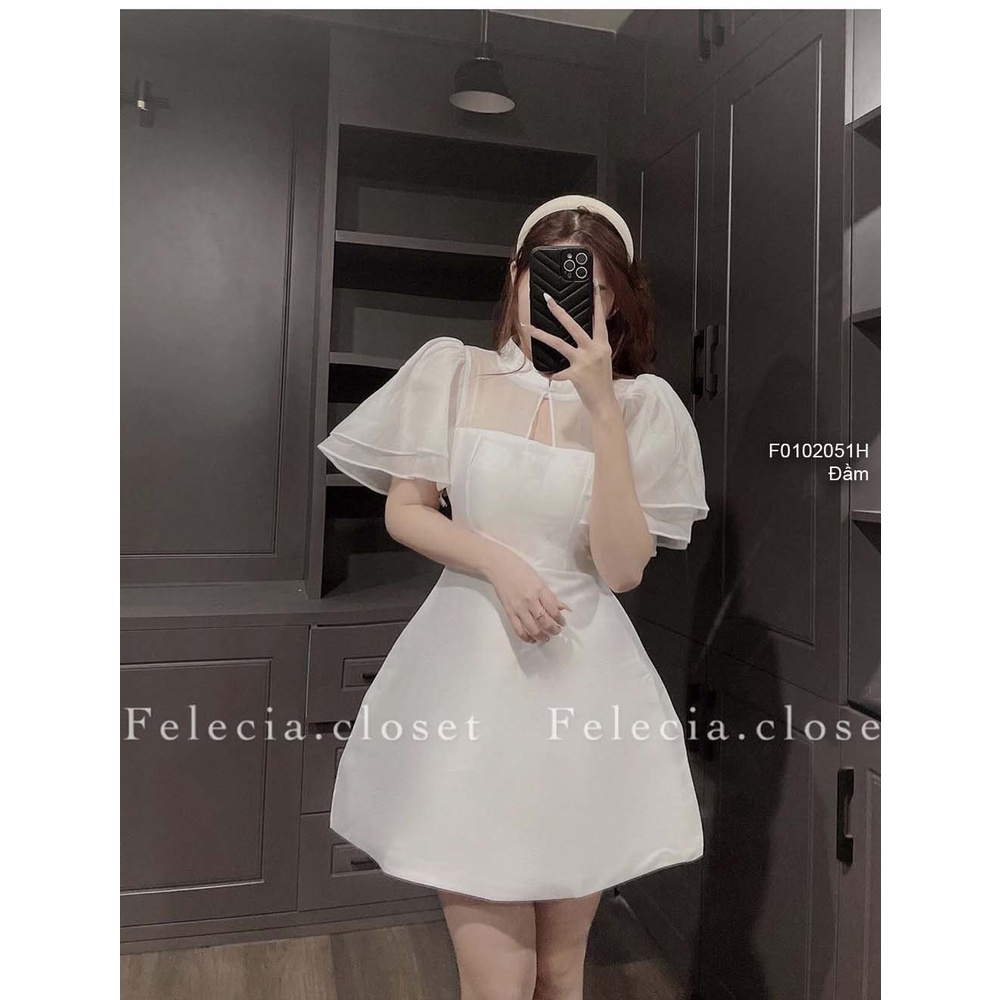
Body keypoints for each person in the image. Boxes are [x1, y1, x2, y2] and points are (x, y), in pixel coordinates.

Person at [317, 195, 709, 1000]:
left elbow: (623, 569)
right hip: (470, 677)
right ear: (516, 278)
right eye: (547, 277)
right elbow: (406, 510)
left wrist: (604, 412)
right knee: (500, 977)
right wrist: (498, 563)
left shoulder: (643, 407)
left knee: (562, 969)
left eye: (592, 286)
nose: (563, 300)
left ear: (614, 302)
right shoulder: (454, 372)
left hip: (583, 681)